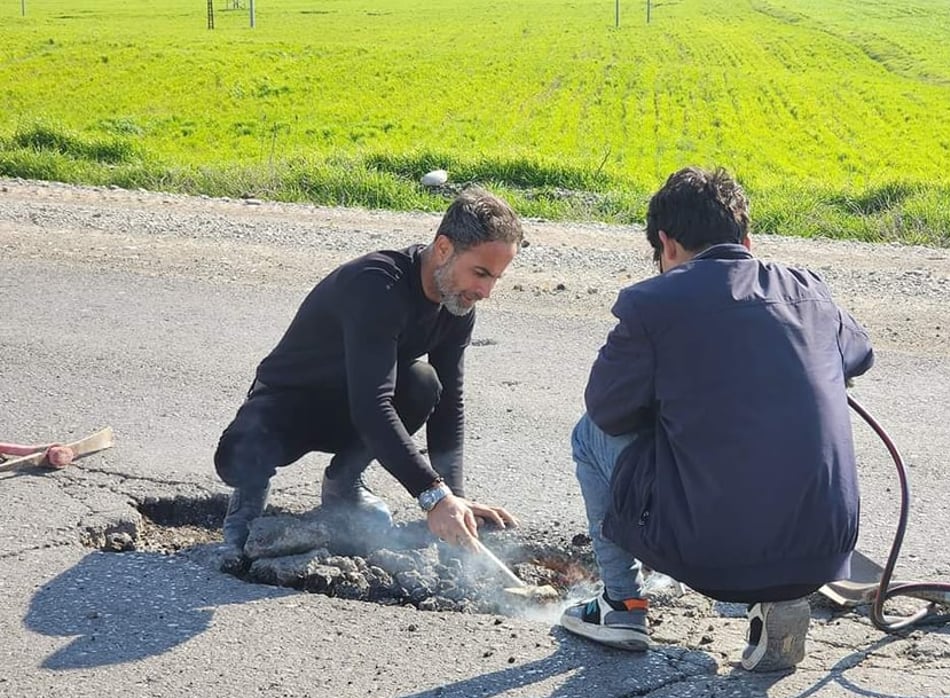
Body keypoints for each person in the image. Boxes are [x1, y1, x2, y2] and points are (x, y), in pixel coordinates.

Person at [560, 167, 874, 671]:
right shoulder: (809, 290)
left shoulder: (653, 303)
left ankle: (621, 606)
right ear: (747, 239)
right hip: (823, 549)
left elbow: (608, 411)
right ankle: (776, 599)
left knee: (587, 434)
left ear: (666, 244)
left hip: (714, 555)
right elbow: (857, 356)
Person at [214, 188, 523, 551]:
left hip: (357, 412)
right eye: (480, 273)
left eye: (495, 279)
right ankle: (247, 504)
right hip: (291, 406)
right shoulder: (378, 285)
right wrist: (433, 496)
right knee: (238, 458)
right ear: (443, 248)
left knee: (424, 384)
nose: (485, 291)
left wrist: (454, 499)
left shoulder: (457, 304)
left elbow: (449, 408)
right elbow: (372, 405)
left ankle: (343, 484)